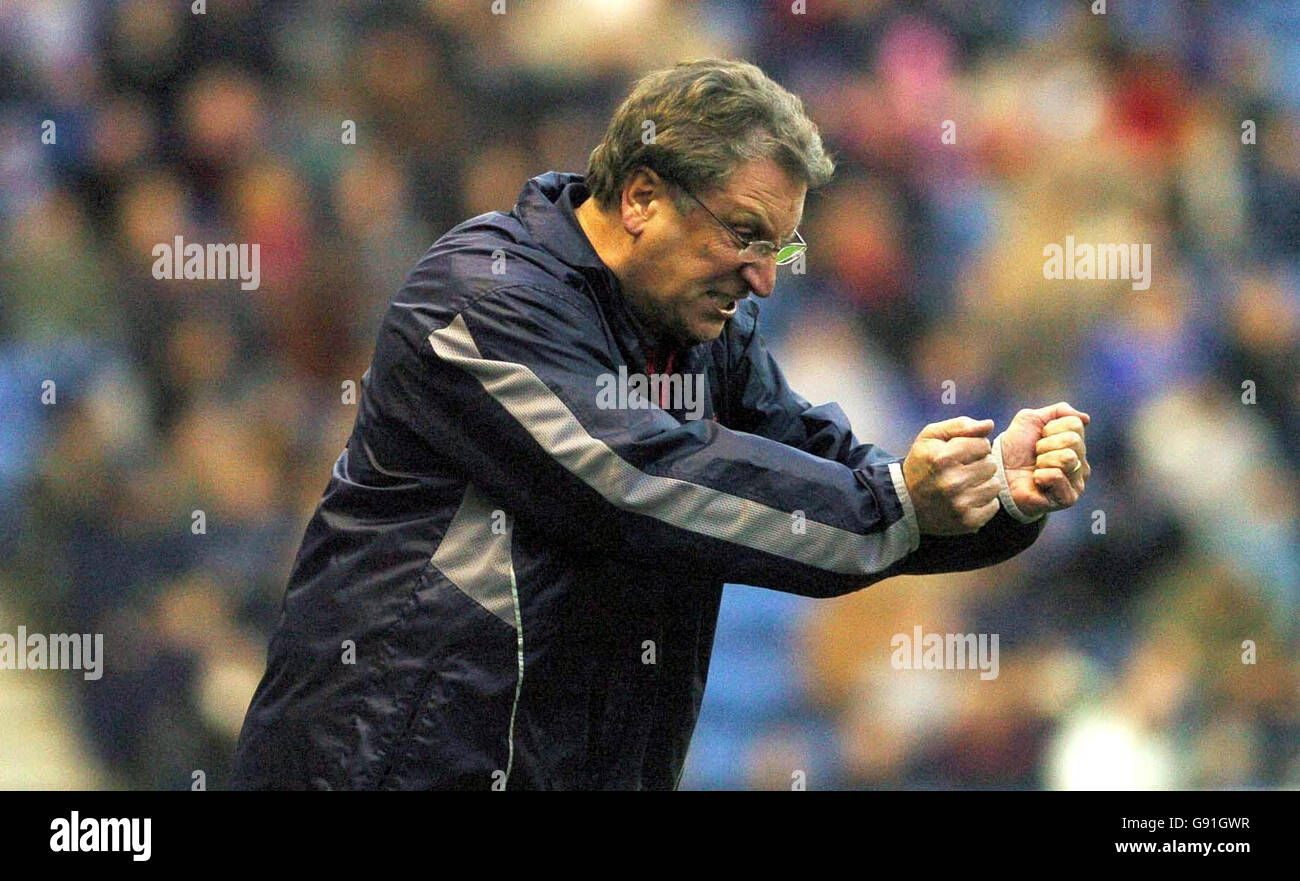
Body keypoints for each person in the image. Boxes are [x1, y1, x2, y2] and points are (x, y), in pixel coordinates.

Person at [229, 58, 1091, 790]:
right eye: (746, 235)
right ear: (642, 195)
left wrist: (990, 495)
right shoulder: (482, 296)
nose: (764, 280)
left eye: (781, 248)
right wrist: (900, 500)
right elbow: (637, 477)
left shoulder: (706, 338)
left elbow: (830, 476)